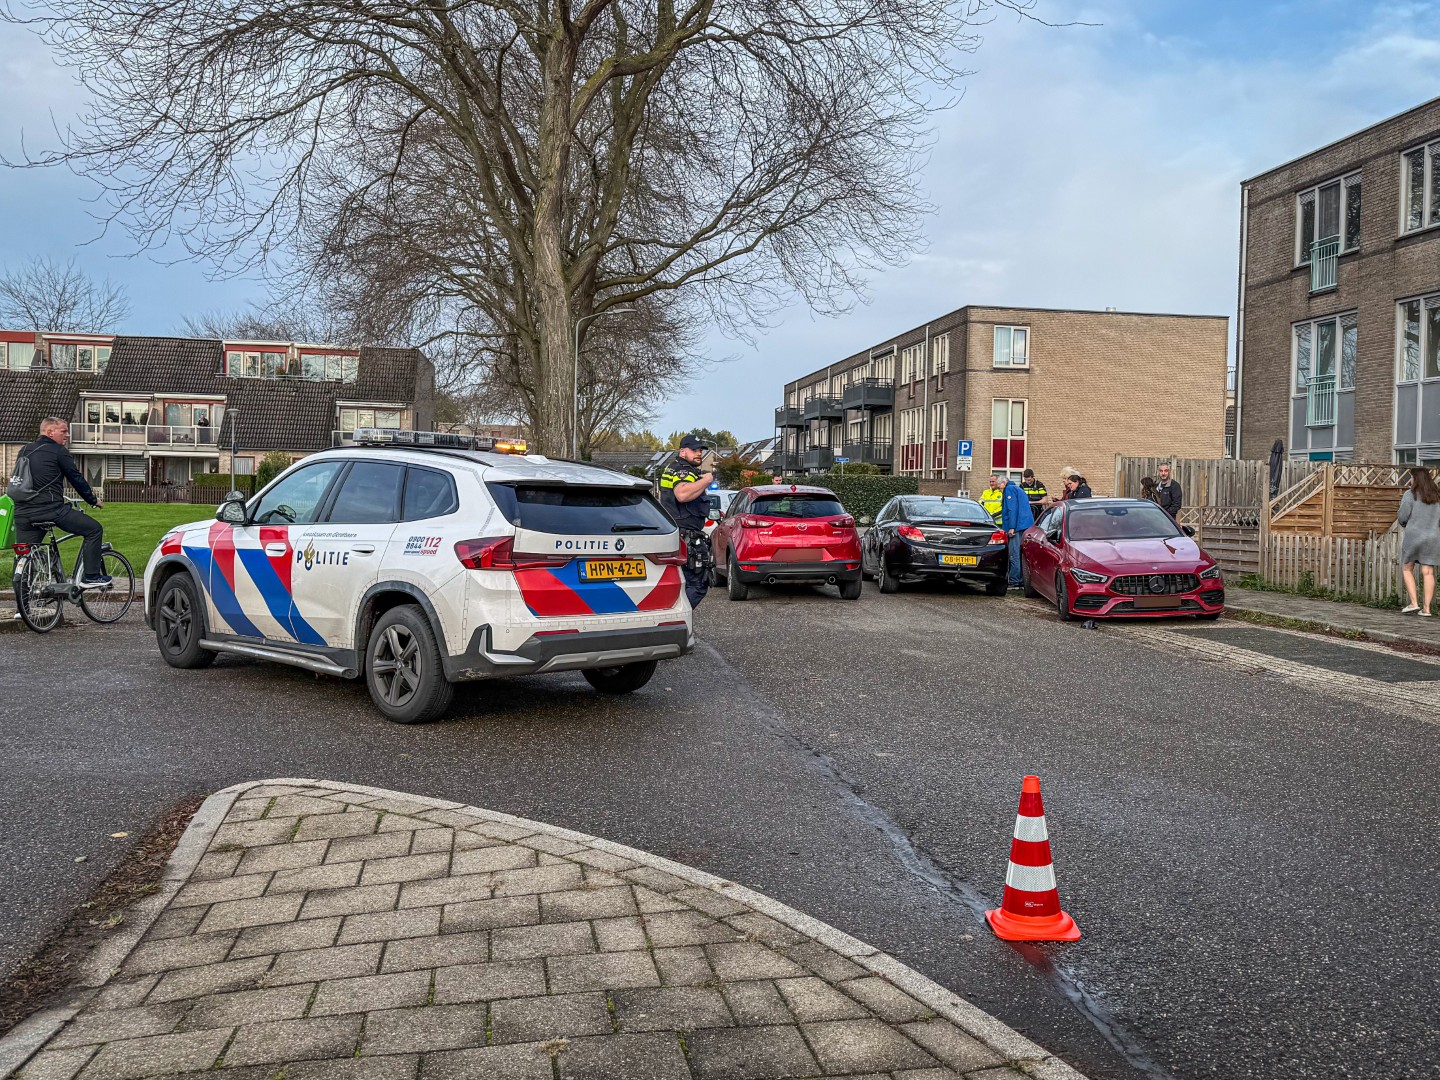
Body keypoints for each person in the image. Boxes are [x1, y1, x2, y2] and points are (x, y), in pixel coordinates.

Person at [12, 417, 109, 586]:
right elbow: (76, 479)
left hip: (23, 513)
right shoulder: (58, 451)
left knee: (24, 554)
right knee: (94, 530)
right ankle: (91, 576)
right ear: (50, 432)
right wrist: (93, 500)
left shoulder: (25, 450)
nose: (68, 435)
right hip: (50, 510)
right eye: (63, 431)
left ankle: (23, 610)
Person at [658, 435, 716, 608]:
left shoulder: (674, 467)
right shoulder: (683, 470)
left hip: (678, 535)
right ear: (682, 451)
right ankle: (676, 620)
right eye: (694, 450)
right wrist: (706, 480)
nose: (698, 454)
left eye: (700, 450)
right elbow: (682, 494)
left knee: (681, 584)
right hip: (686, 538)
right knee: (697, 585)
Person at [1398, 467, 1440, 617]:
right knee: (1428, 572)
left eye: (1411, 477)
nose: (1410, 480)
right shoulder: (1437, 495)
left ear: (1415, 479)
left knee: (1407, 568)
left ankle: (1414, 603)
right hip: (1433, 537)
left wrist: (1406, 525)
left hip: (1414, 536)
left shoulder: (1410, 495)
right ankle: (1427, 609)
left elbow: (1403, 516)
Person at [1000, 475, 1035, 590]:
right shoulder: (1017, 489)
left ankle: (1014, 580)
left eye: (1000, 487)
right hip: (1025, 525)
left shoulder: (1009, 490)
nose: (1000, 490)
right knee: (1021, 554)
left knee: (1014, 554)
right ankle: (1020, 579)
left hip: (1017, 527)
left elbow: (1012, 509)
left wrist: (1011, 527)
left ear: (1003, 483)